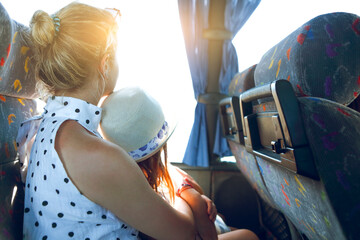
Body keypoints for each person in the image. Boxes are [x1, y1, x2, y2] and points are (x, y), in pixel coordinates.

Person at [16, 2, 196, 240]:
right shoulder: (95, 153)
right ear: (105, 63)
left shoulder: (44, 129)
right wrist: (185, 193)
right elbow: (183, 234)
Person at [100, 87, 260, 240]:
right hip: (204, 233)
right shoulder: (143, 198)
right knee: (249, 236)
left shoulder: (166, 171)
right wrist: (193, 198)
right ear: (161, 147)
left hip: (212, 226)